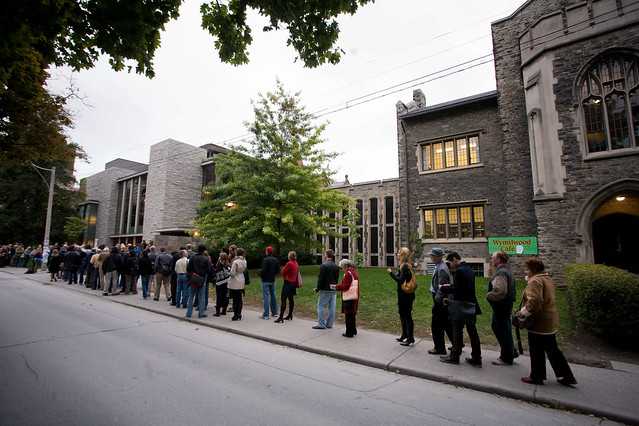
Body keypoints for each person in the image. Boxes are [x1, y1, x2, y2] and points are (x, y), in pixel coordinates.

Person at [517, 258, 577, 386]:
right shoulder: (547, 278)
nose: (525, 271)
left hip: (539, 321)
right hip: (550, 319)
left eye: (527, 269)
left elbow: (535, 301)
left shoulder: (535, 281)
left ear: (532, 269)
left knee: (536, 349)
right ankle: (566, 375)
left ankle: (537, 376)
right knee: (552, 349)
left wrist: (523, 313)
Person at [440, 252, 482, 366]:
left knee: (457, 331)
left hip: (461, 305)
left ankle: (454, 356)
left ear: (454, 259)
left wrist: (444, 289)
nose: (450, 266)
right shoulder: (469, 269)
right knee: (473, 332)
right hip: (471, 304)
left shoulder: (459, 271)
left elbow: (457, 289)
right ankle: (477, 357)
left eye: (449, 263)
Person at [486, 251, 517, 366]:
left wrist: (489, 295)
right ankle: (511, 351)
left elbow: (500, 291)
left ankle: (507, 357)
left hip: (501, 306)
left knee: (501, 329)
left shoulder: (501, 272)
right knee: (505, 329)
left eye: (493, 258)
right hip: (506, 305)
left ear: (499, 259)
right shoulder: (507, 270)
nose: (492, 260)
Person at [387, 247, 415, 346]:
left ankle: (410, 338)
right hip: (403, 294)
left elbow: (400, 280)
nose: (397, 254)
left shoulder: (405, 267)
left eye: (399, 253)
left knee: (407, 316)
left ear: (403, 255)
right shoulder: (403, 266)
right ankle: (404, 335)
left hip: (406, 295)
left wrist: (391, 273)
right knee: (403, 315)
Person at [428, 247, 453, 355]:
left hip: (440, 300)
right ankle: (457, 344)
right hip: (441, 300)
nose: (431, 257)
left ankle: (439, 348)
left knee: (436, 325)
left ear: (438, 257)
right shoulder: (439, 266)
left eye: (432, 256)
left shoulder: (442, 268)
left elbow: (442, 288)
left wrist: (437, 301)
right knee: (446, 323)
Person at [314, 249, 339, 330]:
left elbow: (320, 279)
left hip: (325, 289)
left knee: (320, 306)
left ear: (326, 255)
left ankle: (321, 324)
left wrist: (317, 288)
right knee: (332, 307)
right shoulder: (336, 266)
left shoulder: (323, 266)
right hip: (333, 289)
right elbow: (336, 278)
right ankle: (329, 324)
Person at [186, 245, 212, 318]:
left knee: (191, 296)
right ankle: (201, 313)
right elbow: (208, 270)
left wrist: (191, 275)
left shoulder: (192, 257)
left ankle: (189, 313)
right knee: (201, 297)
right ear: (204, 250)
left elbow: (188, 268)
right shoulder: (206, 259)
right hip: (202, 279)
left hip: (193, 278)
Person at [335, 259, 359, 338]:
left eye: (341, 267)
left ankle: (349, 332)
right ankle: (353, 330)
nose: (341, 269)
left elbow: (345, 286)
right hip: (354, 295)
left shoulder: (348, 274)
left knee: (348, 315)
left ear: (345, 266)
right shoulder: (353, 272)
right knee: (352, 314)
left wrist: (336, 287)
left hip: (349, 297)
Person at [275, 251, 299, 323]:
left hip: (288, 283)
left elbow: (282, 272)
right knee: (291, 299)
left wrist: (283, 269)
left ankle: (281, 317)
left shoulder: (289, 263)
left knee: (283, 299)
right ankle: (290, 315)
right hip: (293, 283)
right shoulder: (296, 263)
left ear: (289, 256)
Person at [259, 246, 280, 320]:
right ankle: (274, 312)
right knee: (273, 295)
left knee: (266, 297)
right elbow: (278, 270)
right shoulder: (275, 260)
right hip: (272, 280)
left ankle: (266, 315)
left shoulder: (265, 260)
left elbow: (263, 270)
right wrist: (273, 274)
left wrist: (260, 274)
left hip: (265, 280)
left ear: (267, 251)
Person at [228, 248, 248, 321]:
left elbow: (232, 273)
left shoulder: (235, 262)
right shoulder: (244, 261)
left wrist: (228, 272)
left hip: (235, 281)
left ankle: (236, 315)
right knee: (239, 299)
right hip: (241, 278)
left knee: (235, 299)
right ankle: (239, 313)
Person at [213, 252, 231, 316]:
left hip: (219, 282)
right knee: (225, 297)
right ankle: (224, 310)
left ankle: (217, 312)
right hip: (226, 282)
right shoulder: (228, 264)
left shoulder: (219, 264)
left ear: (220, 257)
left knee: (219, 297)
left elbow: (216, 272)